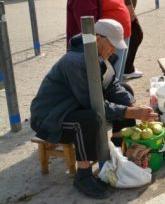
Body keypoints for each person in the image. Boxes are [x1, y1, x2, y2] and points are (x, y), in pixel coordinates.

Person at [30, 19, 158, 199]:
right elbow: (91, 102)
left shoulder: (101, 56)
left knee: (126, 91)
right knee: (89, 119)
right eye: (112, 45)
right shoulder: (75, 61)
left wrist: (132, 105)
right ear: (98, 39)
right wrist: (131, 112)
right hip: (51, 117)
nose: (115, 49)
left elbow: (111, 84)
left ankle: (117, 146)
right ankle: (83, 175)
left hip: (72, 106)